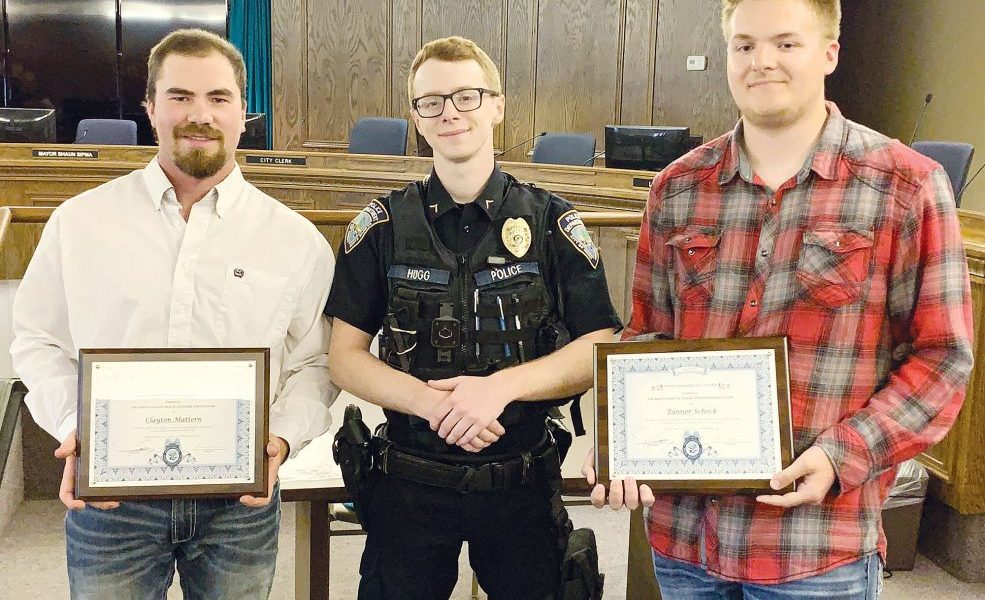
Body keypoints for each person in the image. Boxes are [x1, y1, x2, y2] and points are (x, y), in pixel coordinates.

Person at [583, 0, 974, 597]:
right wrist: (624, 441)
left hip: (818, 548)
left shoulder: (906, 186)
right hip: (687, 541)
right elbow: (647, 340)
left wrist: (845, 454)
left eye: (785, 43)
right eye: (744, 45)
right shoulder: (677, 189)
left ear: (829, 52)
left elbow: (943, 360)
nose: (761, 61)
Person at [10, 29, 337, 599]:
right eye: (180, 96)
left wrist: (280, 440)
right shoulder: (80, 223)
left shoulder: (295, 240)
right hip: (112, 500)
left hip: (238, 504)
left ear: (242, 113)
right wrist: (74, 429)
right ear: (151, 108)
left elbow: (317, 363)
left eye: (218, 98)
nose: (199, 115)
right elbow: (36, 341)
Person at [326, 35, 620, 600]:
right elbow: (345, 356)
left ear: (497, 105)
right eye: (431, 102)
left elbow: (597, 344)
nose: (449, 113)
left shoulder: (551, 221)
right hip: (410, 480)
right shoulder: (382, 226)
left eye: (466, 96)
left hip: (522, 481)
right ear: (416, 116)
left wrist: (498, 390)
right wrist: (437, 405)